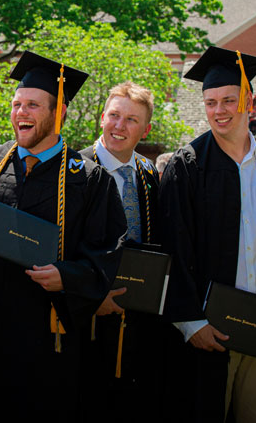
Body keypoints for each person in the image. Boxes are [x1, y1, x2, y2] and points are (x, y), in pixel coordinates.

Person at [0, 51, 126, 421]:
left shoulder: (89, 180)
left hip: (44, 338)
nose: (20, 112)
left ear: (58, 113)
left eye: (32, 105)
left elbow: (106, 253)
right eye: (16, 104)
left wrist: (68, 276)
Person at [160, 46, 256, 422]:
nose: (219, 111)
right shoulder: (187, 166)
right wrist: (191, 323)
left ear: (249, 100)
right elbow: (172, 248)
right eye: (210, 102)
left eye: (228, 100)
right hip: (211, 325)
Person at [75, 81, 172, 420]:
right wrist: (91, 295)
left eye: (131, 120)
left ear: (145, 129)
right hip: (87, 316)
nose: (119, 126)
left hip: (139, 312)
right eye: (114, 115)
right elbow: (59, 247)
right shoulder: (73, 171)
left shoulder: (147, 173)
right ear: (101, 118)